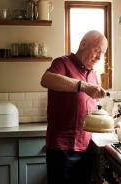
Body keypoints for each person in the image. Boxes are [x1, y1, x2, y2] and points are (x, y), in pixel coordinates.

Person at [40, 30, 108, 184]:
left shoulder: (93, 74)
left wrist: (113, 125)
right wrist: (83, 86)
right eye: (97, 50)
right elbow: (46, 79)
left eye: (102, 53)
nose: (99, 57)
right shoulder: (62, 63)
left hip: (87, 147)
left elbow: (90, 111)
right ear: (83, 44)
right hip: (62, 148)